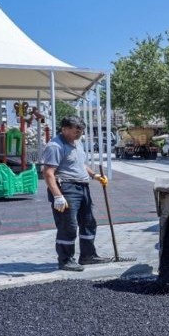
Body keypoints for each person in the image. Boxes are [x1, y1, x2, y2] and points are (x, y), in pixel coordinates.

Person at [42, 116, 113, 272]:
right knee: (69, 225)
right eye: (76, 132)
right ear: (65, 129)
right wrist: (58, 196)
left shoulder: (77, 143)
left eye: (81, 132)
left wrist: (95, 176)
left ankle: (88, 255)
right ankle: (65, 260)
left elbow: (80, 164)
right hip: (66, 188)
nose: (79, 135)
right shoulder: (55, 146)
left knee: (89, 222)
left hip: (83, 187)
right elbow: (48, 173)